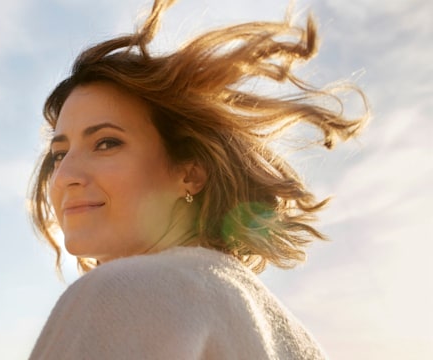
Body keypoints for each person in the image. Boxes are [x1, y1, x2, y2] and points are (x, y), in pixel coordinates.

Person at [28, 0, 368, 358]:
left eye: (106, 143)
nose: (65, 176)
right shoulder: (288, 334)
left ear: (189, 173)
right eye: (60, 154)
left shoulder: (119, 294)